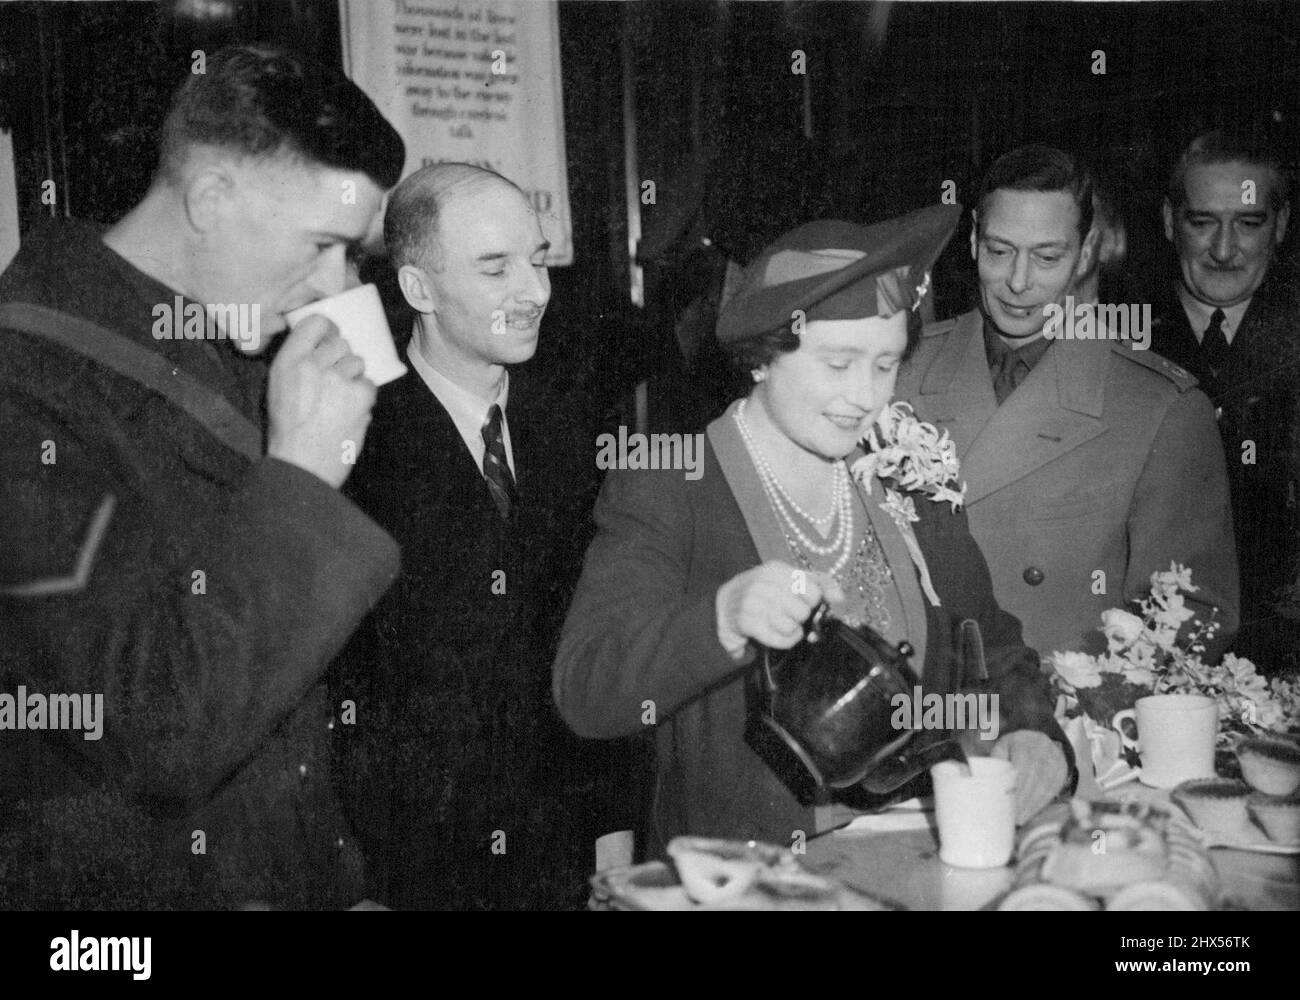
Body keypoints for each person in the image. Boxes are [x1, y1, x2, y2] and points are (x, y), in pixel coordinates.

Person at [0, 46, 405, 908]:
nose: (334, 289)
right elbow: (158, 732)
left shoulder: (222, 340)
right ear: (211, 196)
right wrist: (299, 470)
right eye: (324, 247)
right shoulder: (24, 390)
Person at [553, 204, 1074, 854]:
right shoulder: (672, 485)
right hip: (744, 883)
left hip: (916, 865)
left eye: (886, 365)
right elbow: (586, 690)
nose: (866, 395)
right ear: (762, 357)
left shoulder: (905, 471)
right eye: (838, 363)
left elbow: (993, 645)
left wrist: (1029, 729)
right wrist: (722, 617)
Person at [331, 163, 611, 910]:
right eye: (496, 269)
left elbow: (591, 639)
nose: (535, 291)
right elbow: (336, 684)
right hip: (413, 864)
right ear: (419, 289)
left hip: (557, 852)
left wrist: (611, 825)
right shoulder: (353, 439)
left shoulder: (566, 426)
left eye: (539, 260)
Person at [896, 145, 1239, 659]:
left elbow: (1194, 615)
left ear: (1084, 254)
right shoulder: (896, 375)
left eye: (1047, 257)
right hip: (918, 711)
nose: (1018, 282)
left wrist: (1075, 704)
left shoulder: (1159, 409)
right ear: (971, 242)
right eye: (999, 250)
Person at [1149, 128, 1300, 672]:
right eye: (1203, 221)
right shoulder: (1116, 337)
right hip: (1151, 654)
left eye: (1249, 223)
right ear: (1170, 222)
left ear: (1279, 226)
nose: (1223, 250)